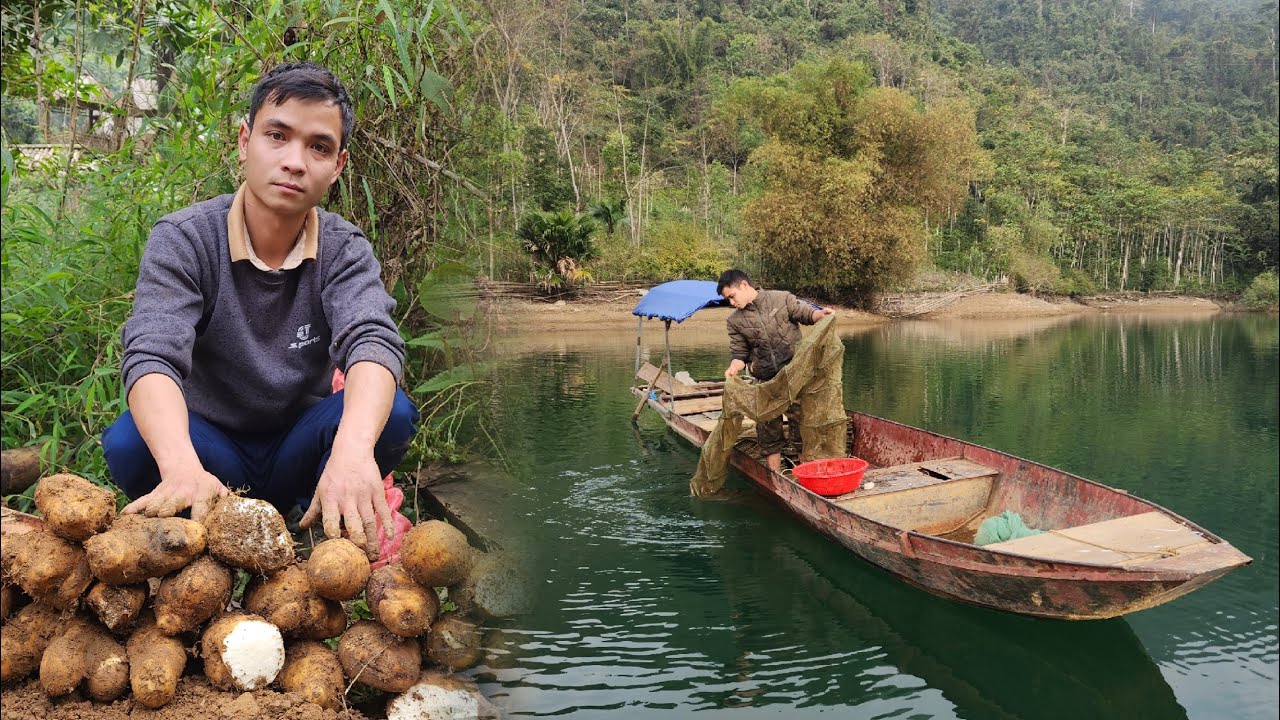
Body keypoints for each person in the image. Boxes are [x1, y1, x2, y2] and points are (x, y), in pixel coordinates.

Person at [101, 62, 418, 557]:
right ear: (245, 140)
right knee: (129, 442)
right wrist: (182, 463)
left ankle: (322, 532)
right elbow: (152, 355)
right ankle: (197, 537)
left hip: (298, 445)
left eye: (319, 146)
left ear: (338, 166)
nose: (295, 161)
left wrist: (354, 451)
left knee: (393, 414)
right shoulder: (185, 239)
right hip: (210, 448)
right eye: (278, 135)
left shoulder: (344, 249)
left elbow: (373, 341)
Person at [717, 269, 834, 473]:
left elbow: (806, 314)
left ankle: (807, 474)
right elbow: (739, 354)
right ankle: (776, 476)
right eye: (728, 299)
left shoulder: (781, 298)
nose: (731, 302)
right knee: (768, 430)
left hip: (795, 377)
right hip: (765, 382)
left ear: (744, 285)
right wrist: (734, 367)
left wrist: (820, 314)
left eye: (732, 296)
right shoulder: (734, 321)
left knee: (802, 426)